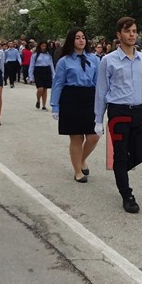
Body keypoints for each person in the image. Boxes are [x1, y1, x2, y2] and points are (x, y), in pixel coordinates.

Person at [94, 17, 142, 214]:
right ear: (119, 35)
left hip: (138, 111)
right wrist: (98, 119)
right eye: (127, 31)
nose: (132, 34)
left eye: (134, 31)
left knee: (139, 154)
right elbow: (101, 91)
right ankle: (127, 195)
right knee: (120, 154)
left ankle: (119, 172)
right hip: (118, 112)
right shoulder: (108, 60)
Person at [51, 28, 101, 183]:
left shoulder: (94, 59)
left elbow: (100, 82)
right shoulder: (64, 61)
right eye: (77, 37)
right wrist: (55, 105)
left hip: (89, 97)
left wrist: (102, 102)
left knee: (94, 136)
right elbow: (58, 83)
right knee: (76, 137)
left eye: (83, 37)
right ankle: (78, 171)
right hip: (71, 98)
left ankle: (82, 159)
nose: (81, 40)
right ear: (71, 40)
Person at [29, 40, 55, 111]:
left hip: (47, 71)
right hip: (38, 71)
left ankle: (44, 105)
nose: (44, 47)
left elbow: (51, 65)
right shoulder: (35, 55)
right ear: (39, 46)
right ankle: (38, 100)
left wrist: (53, 75)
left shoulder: (48, 55)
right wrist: (31, 76)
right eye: (42, 46)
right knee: (40, 88)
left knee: (45, 89)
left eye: (45, 46)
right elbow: (31, 65)